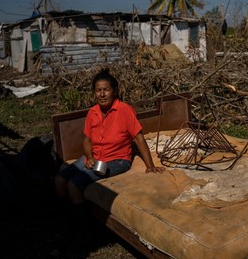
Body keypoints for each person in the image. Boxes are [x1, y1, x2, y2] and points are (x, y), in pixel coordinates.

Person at [54, 69, 165, 227]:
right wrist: (89, 156)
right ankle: (65, 218)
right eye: (98, 90)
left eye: (106, 89)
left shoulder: (124, 110)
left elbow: (139, 138)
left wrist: (150, 166)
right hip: (95, 157)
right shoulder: (93, 112)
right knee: (59, 180)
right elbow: (87, 140)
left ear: (114, 91)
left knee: (74, 184)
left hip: (117, 160)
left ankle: (81, 227)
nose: (102, 94)